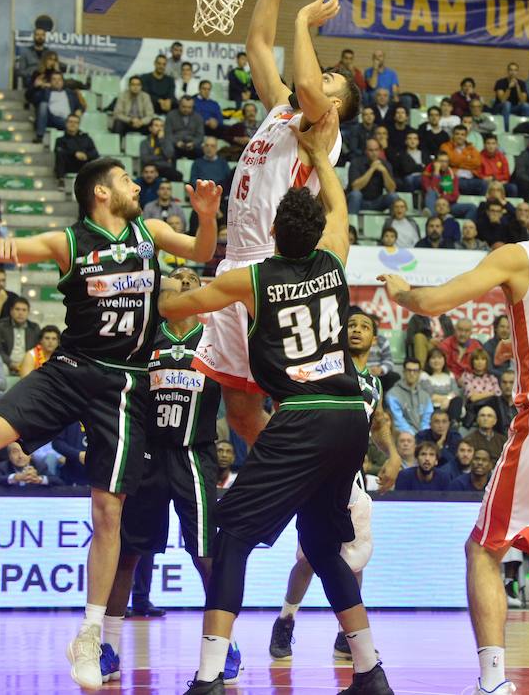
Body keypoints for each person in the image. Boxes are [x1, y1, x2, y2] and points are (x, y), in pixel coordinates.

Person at [159, 111, 394, 695]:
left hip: (304, 414)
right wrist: (318, 155)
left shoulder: (254, 279)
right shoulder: (335, 262)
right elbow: (338, 208)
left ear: (273, 235)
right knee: (318, 541)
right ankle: (369, 671)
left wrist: (181, 288)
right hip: (348, 421)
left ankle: (210, 675)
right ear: (316, 236)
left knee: (232, 531)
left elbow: (174, 312)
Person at [0, 157, 221, 690]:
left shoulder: (153, 232)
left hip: (126, 383)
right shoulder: (68, 241)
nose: (136, 184)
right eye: (126, 179)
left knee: (108, 511)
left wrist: (208, 216)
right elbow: (11, 250)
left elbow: (202, 251)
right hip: (71, 369)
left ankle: (90, 634)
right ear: (101, 192)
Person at [378, 169, 529, 693]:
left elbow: (434, 305)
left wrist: (402, 289)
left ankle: (495, 682)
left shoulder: (518, 254)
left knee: (484, 549)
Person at [193, 0, 360, 453]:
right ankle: (288, 474)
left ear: (337, 108)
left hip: (273, 268)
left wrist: (302, 22)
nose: (324, 77)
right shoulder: (282, 112)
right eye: (327, 74)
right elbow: (256, 44)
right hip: (234, 260)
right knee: (241, 409)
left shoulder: (324, 127)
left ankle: (315, 477)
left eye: (334, 81)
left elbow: (309, 85)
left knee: (290, 395)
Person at [100, 267, 243, 685]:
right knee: (127, 552)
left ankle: (224, 646)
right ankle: (109, 647)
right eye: (175, 275)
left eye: (190, 278)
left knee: (206, 555)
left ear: (203, 292)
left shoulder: (216, 341)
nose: (182, 279)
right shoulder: (146, 340)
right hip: (148, 454)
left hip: (194, 456)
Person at [268, 308, 400, 662]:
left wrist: (393, 456)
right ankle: (286, 619)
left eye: (364, 326)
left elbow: (380, 423)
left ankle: (347, 634)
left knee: (355, 561)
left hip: (353, 478)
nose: (356, 330)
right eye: (351, 325)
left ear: (375, 338)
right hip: (317, 473)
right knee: (309, 557)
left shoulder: (374, 383)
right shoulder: (327, 369)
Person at [35, 71, 86, 142]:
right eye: (54, 79)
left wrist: (80, 109)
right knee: (43, 104)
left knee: (72, 121)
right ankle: (39, 136)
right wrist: (36, 87)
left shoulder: (70, 93)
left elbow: (79, 105)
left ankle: (76, 137)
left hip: (67, 119)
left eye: (59, 79)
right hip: (51, 118)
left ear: (62, 81)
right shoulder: (45, 91)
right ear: (50, 82)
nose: (57, 82)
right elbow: (31, 98)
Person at [385, 358, 433, 434]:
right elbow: (398, 421)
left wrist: (423, 435)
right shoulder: (392, 394)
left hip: (423, 438)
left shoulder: (425, 395)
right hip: (402, 438)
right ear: (403, 372)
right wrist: (415, 436)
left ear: (420, 373)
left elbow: (427, 419)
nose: (412, 373)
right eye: (409, 370)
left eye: (415, 371)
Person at [0, 297, 40, 376]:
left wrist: (26, 363)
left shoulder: (34, 328)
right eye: (17, 309)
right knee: (2, 370)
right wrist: (11, 364)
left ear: (28, 312)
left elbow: (37, 349)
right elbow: (0, 350)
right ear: (11, 311)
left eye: (24, 310)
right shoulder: (1, 326)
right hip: (6, 364)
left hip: (28, 363)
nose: (20, 313)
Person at [54, 114, 99, 186]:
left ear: (78, 125)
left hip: (83, 165)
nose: (73, 124)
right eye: (70, 122)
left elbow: (95, 153)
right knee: (60, 154)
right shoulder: (60, 140)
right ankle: (61, 180)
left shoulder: (86, 138)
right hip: (68, 165)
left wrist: (86, 155)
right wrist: (74, 154)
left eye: (75, 122)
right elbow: (59, 151)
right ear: (66, 123)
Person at [440, 125, 485, 196]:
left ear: (466, 136)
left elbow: (477, 163)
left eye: (462, 134)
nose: (459, 136)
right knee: (447, 182)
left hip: (470, 179)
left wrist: (457, 161)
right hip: (452, 177)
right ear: (453, 135)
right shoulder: (445, 146)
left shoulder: (472, 148)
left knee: (484, 184)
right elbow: (451, 160)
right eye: (457, 134)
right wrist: (468, 159)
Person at [420, 347, 461, 418]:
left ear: (444, 360)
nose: (437, 361)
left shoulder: (450, 375)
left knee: (458, 400)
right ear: (428, 361)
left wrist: (448, 400)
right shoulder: (424, 375)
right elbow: (431, 396)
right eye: (433, 358)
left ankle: (453, 424)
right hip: (433, 406)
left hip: (450, 405)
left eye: (439, 358)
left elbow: (456, 392)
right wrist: (448, 399)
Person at [139, 117, 182, 182]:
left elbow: (169, 155)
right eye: (156, 125)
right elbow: (145, 159)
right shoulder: (144, 142)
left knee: (178, 175)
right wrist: (163, 158)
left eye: (161, 126)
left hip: (164, 168)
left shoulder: (167, 141)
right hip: (150, 169)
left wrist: (161, 140)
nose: (159, 128)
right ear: (150, 128)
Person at [491, 62, 529, 132]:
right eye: (511, 70)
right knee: (507, 104)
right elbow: (502, 100)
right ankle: (506, 130)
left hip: (513, 108)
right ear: (507, 71)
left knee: (526, 106)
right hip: (499, 107)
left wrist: (518, 88)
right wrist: (509, 88)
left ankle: (525, 129)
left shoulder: (521, 83)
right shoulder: (500, 82)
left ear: (517, 72)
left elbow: (523, 101)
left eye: (515, 70)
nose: (513, 72)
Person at [165, 95, 205, 160]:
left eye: (189, 107)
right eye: (184, 107)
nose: (186, 110)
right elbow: (168, 134)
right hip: (176, 145)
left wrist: (193, 143)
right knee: (168, 150)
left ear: (193, 107)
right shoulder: (171, 115)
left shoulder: (198, 117)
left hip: (192, 145)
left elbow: (200, 136)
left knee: (202, 152)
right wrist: (176, 142)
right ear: (179, 105)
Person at [53, 421, 88, 486]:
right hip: (73, 474)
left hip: (101, 475)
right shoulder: (69, 417)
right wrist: (78, 455)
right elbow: (57, 442)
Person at [483, 315, 513, 380]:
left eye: (508, 327)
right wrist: (505, 376)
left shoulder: (514, 346)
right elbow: (487, 369)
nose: (505, 330)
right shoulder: (488, 346)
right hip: (494, 382)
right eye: (502, 327)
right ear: (496, 328)